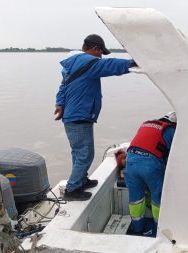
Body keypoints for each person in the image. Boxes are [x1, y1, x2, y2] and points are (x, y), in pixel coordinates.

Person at [54, 34, 137, 201]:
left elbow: (63, 87)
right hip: (78, 116)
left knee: (78, 153)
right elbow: (110, 65)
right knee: (85, 154)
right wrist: (132, 63)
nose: (101, 57)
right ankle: (72, 189)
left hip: (75, 115)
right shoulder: (89, 62)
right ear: (95, 49)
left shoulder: (73, 63)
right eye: (101, 53)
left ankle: (81, 180)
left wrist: (60, 104)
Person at [125, 112, 177, 236]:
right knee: (157, 199)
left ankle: (137, 230)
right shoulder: (171, 129)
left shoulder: (146, 124)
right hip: (150, 166)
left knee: (136, 200)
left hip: (130, 163)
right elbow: (174, 156)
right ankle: (158, 231)